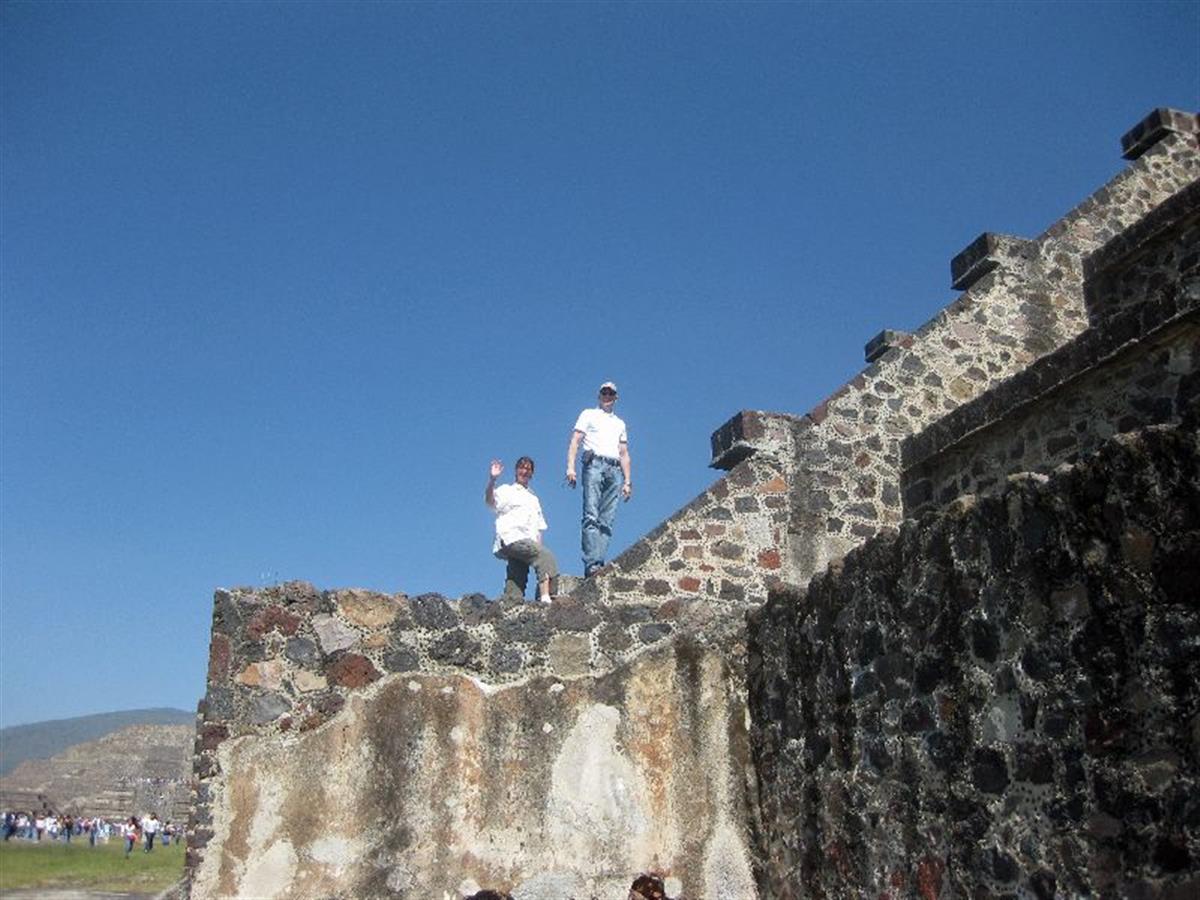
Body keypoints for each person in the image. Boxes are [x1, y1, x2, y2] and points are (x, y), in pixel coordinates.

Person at [566, 380, 632, 576]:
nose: (607, 396)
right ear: (599, 395)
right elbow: (575, 441)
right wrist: (570, 467)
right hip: (594, 464)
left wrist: (628, 481)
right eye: (604, 392)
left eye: (611, 393)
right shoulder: (588, 414)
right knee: (591, 515)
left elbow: (624, 452)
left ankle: (598, 562)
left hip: (614, 468)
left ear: (616, 397)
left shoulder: (620, 423)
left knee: (607, 519)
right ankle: (592, 563)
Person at [485, 457, 557, 603]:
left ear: (531, 474)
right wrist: (492, 479)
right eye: (521, 468)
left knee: (517, 574)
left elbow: (538, 528)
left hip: (527, 542)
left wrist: (538, 547)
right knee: (546, 557)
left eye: (528, 469)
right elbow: (490, 501)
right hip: (511, 538)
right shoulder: (507, 490)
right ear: (516, 470)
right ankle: (546, 597)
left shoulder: (533, 499)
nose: (524, 471)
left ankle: (511, 603)